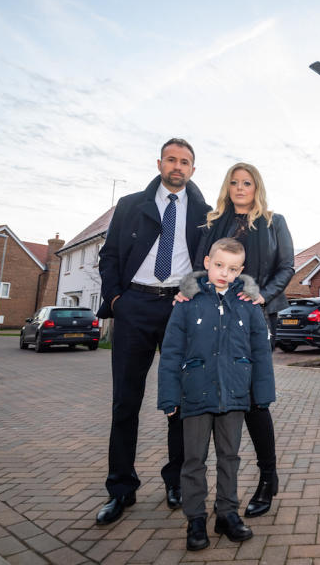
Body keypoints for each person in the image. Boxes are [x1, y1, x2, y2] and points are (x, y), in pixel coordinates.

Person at [94, 138, 212, 526]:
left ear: (193, 169)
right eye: (172, 160)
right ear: (160, 163)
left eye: (186, 162)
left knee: (178, 400)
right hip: (135, 306)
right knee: (125, 401)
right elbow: (109, 255)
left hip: (179, 308)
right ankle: (120, 489)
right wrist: (116, 300)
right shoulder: (130, 205)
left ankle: (175, 481)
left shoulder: (204, 213)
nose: (178, 167)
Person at [189, 162, 294, 517]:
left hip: (256, 316)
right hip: (216, 317)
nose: (239, 187)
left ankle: (268, 478)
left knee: (254, 400)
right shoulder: (212, 222)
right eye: (233, 182)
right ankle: (204, 487)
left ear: (256, 187)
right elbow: (200, 267)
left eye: (246, 182)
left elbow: (287, 266)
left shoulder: (273, 222)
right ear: (227, 186)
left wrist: (264, 294)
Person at [158, 237, 275, 550]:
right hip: (195, 395)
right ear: (207, 263)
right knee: (193, 460)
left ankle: (227, 514)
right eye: (220, 265)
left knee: (230, 457)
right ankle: (196, 519)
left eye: (233, 268)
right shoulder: (187, 302)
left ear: (241, 271)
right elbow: (171, 352)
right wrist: (169, 398)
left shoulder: (248, 305)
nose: (225, 273)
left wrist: (261, 394)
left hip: (235, 396)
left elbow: (261, 352)